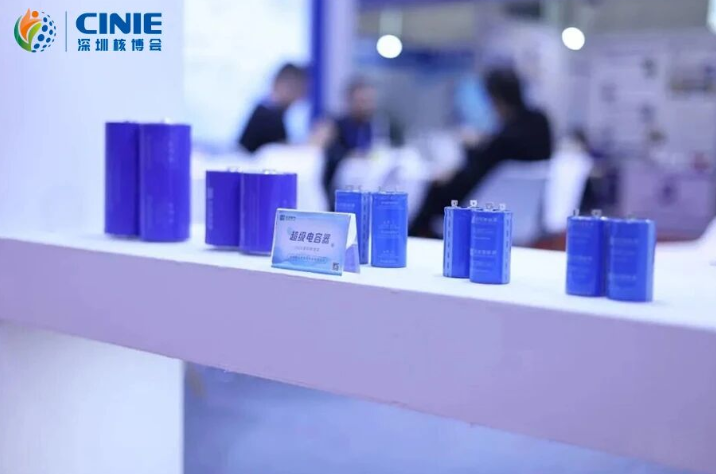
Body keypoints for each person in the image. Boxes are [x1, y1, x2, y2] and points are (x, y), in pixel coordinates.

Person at [410, 67, 553, 238]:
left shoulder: (505, 140)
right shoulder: (539, 123)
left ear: (496, 98)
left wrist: (460, 162)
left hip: (484, 206)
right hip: (527, 213)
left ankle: (412, 237)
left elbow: (477, 169)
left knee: (435, 189)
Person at [322, 78, 378, 201]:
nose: (366, 106)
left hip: (364, 184)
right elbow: (326, 156)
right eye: (362, 101)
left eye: (369, 101)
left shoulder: (371, 127)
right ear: (349, 101)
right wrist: (349, 155)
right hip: (337, 190)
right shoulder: (334, 126)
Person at [238, 63, 308, 153]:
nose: (298, 95)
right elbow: (281, 151)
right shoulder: (267, 116)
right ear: (276, 83)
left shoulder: (269, 111)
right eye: (293, 87)